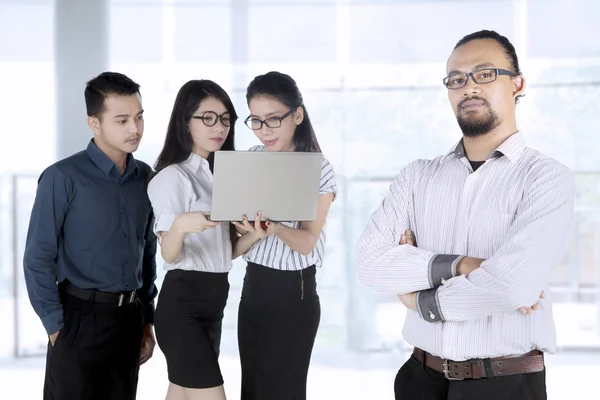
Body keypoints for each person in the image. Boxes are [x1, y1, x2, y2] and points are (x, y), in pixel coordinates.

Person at [356, 30, 575, 400]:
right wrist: (465, 266)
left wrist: (417, 298)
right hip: (418, 378)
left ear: (517, 84)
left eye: (485, 74)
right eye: (456, 79)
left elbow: (512, 287)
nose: (468, 86)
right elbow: (369, 264)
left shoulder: (547, 177)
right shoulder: (417, 176)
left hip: (503, 382)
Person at [23, 71, 158, 400]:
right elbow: (38, 256)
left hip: (129, 319)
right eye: (122, 120)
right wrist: (56, 328)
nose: (135, 129)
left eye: (139, 117)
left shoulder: (146, 178)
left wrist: (146, 321)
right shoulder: (62, 177)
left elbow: (148, 253)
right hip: (77, 320)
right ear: (94, 123)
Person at [232, 71, 338, 400]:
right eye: (257, 121)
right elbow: (236, 249)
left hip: (296, 293)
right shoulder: (250, 160)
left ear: (298, 115)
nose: (265, 131)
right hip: (254, 288)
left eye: (274, 119)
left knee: (285, 390)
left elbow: (307, 243)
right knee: (252, 387)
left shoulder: (318, 169)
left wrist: (275, 226)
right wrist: (255, 233)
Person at [147, 79, 238, 400]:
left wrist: (255, 234)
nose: (220, 127)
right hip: (183, 301)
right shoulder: (172, 177)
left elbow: (224, 252)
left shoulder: (220, 177)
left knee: (181, 393)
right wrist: (181, 225)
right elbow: (169, 255)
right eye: (208, 117)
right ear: (186, 122)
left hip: (215, 300)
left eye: (226, 118)